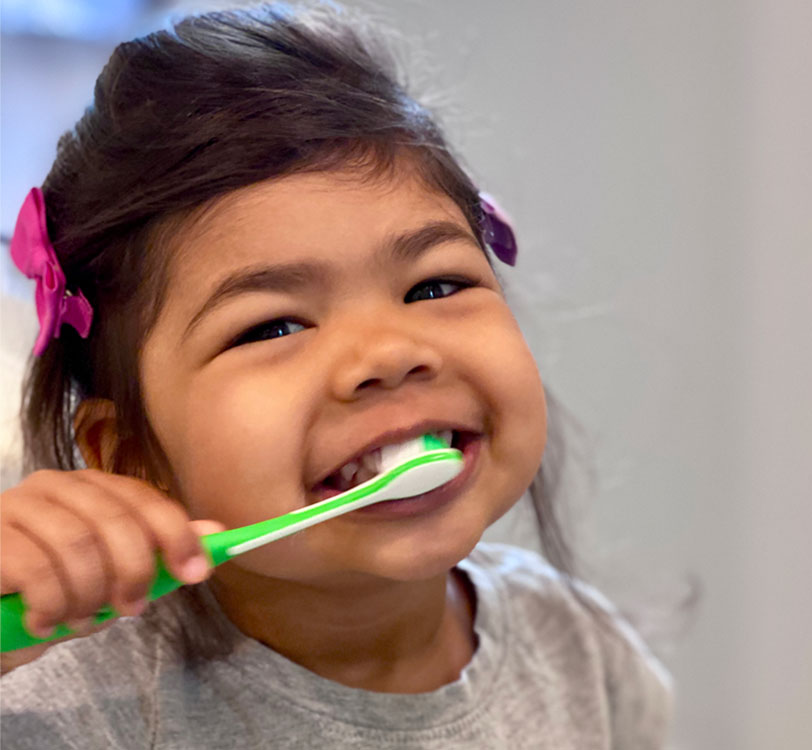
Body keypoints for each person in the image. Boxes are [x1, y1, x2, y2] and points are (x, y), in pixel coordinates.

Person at [0, 3, 673, 747]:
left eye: (435, 286)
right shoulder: (62, 707)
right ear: (132, 453)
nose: (388, 353)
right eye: (273, 326)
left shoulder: (584, 657)